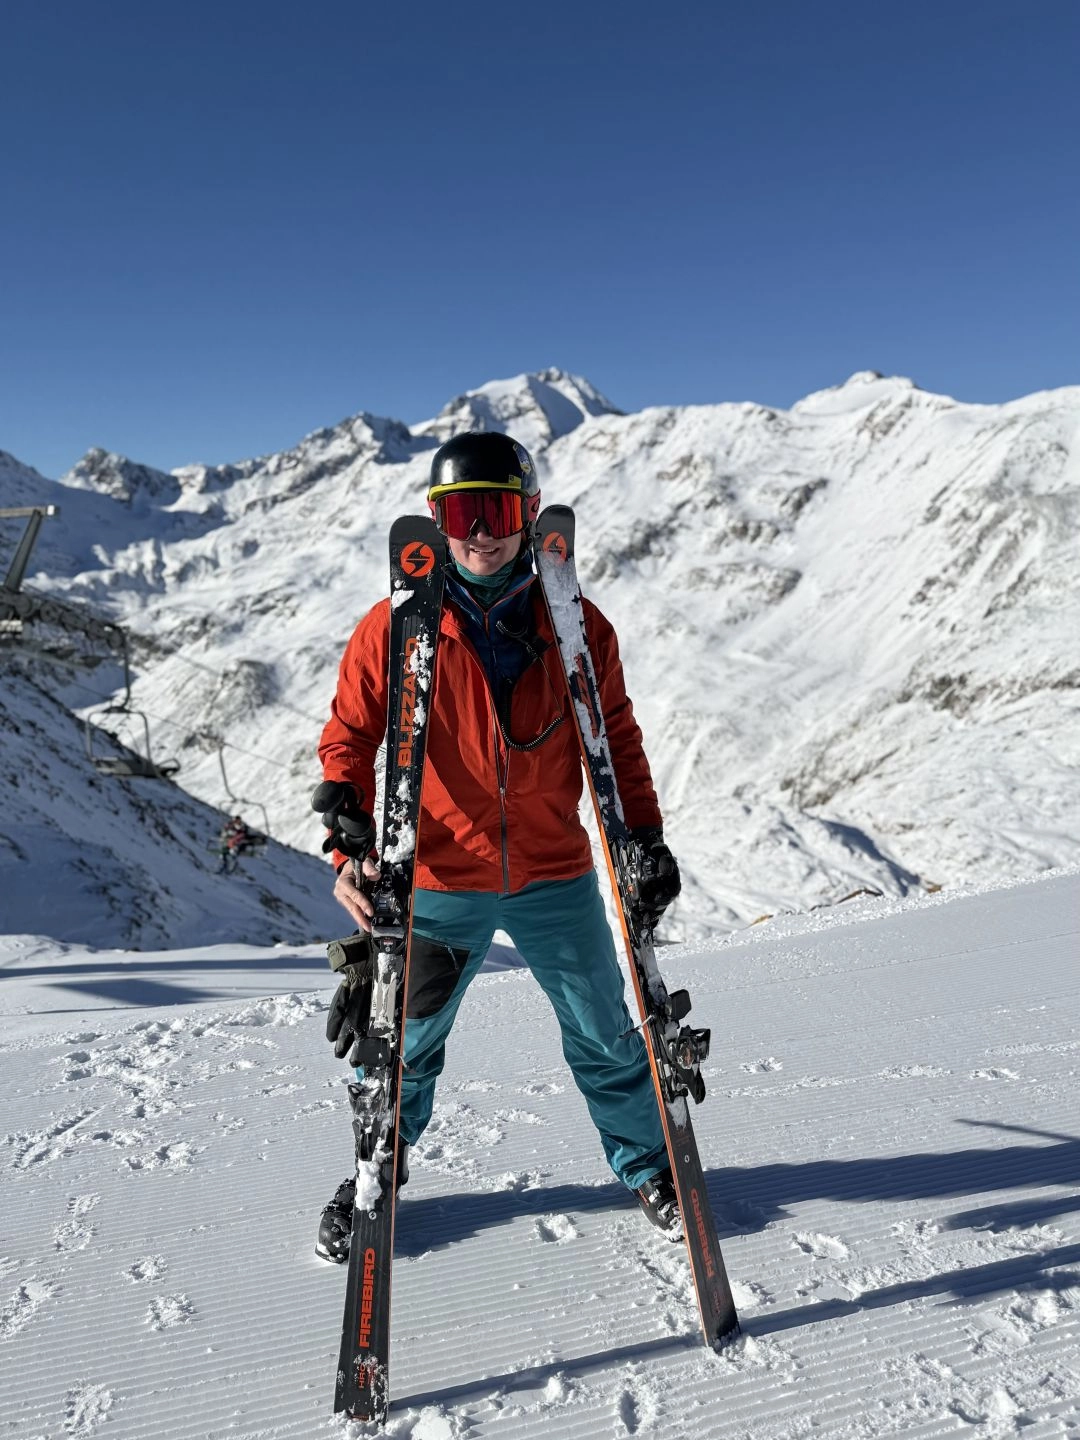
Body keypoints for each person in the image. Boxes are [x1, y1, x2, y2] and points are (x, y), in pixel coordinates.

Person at [314, 431, 682, 1263]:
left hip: (554, 872)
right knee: (406, 1043)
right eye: (462, 512)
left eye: (501, 510)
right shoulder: (396, 629)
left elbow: (615, 739)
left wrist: (643, 838)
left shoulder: (575, 624)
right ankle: (377, 1171)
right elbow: (349, 741)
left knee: (604, 1032)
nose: (483, 532)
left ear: (528, 514)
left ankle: (653, 1166)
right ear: (435, 522)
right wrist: (348, 844)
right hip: (440, 875)